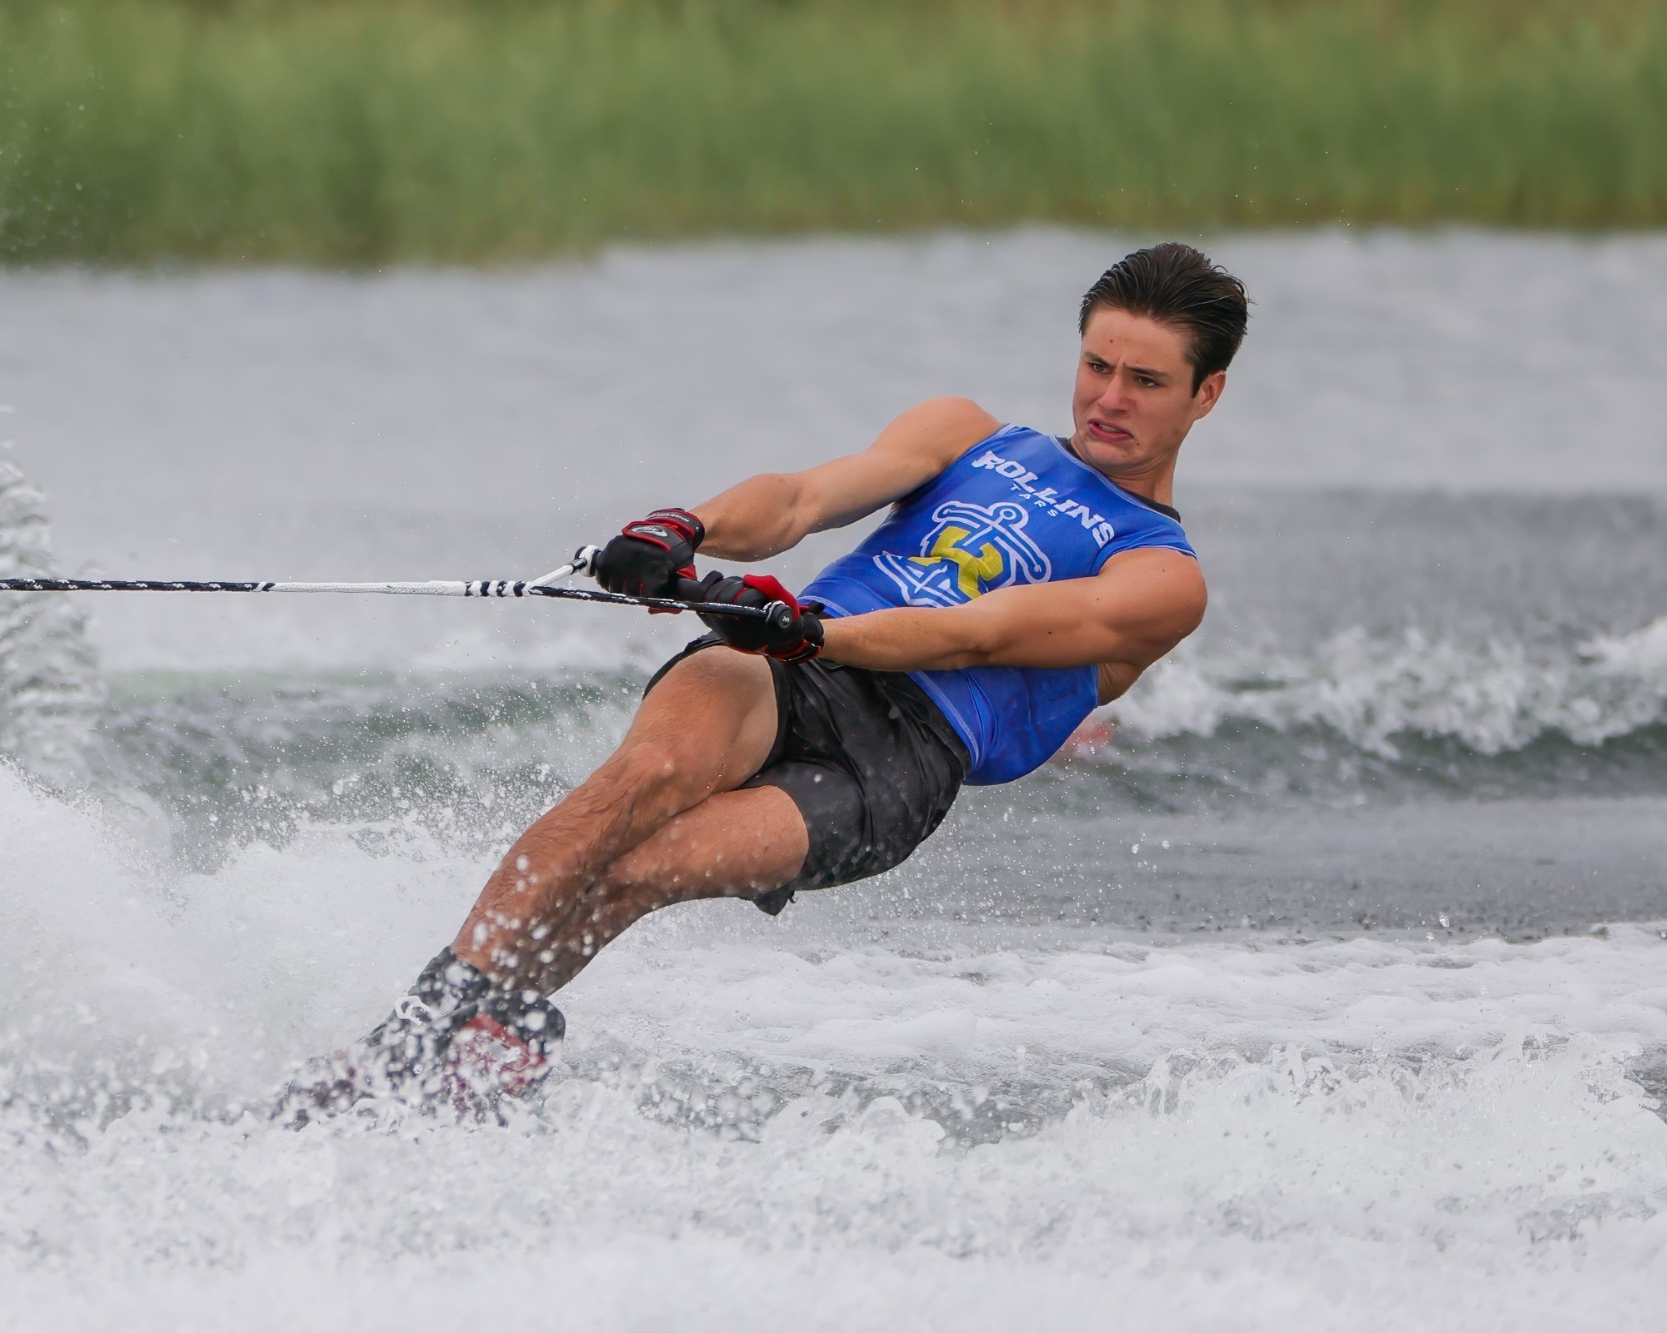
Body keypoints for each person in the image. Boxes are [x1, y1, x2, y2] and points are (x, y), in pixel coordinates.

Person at [276, 240, 1248, 1125]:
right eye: (1095, 366)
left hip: (900, 760)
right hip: (782, 664)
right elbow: (800, 500)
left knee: (640, 870)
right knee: (637, 782)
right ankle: (411, 1043)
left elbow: (969, 633)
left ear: (1203, 397)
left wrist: (812, 627)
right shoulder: (966, 435)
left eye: (1144, 380)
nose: (1108, 398)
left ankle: (475, 1032)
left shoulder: (1161, 574)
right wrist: (679, 530)